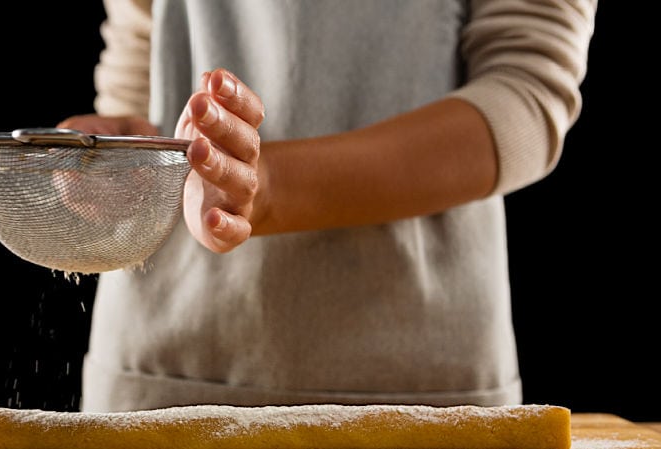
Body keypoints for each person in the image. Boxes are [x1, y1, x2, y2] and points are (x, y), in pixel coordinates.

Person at [58, 0, 598, 412]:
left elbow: (528, 93)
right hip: (157, 372)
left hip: (415, 389)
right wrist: (125, 149)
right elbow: (145, 45)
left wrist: (267, 188)